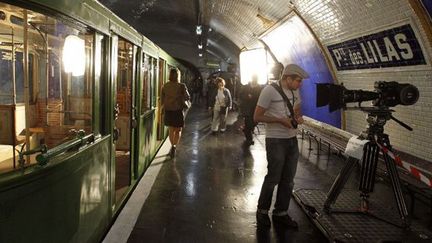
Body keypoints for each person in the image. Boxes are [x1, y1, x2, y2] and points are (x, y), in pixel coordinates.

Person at [253, 64, 309, 228]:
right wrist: (279, 120)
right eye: (298, 80)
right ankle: (262, 211)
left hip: (292, 139)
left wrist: (298, 118)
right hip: (276, 139)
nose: (300, 84)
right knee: (273, 177)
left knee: (289, 180)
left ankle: (281, 213)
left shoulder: (295, 91)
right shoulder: (269, 91)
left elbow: (296, 109)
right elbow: (257, 116)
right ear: (288, 78)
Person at [161, 68, 190, 157]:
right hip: (178, 111)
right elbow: (187, 97)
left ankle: (172, 145)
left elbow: (162, 99)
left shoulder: (165, 85)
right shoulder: (182, 85)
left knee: (171, 130)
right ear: (178, 75)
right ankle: (174, 146)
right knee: (178, 130)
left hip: (168, 110)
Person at [239, 74, 262, 145]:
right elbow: (240, 95)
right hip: (247, 109)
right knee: (248, 123)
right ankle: (249, 139)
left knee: (254, 123)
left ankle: (246, 130)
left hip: (255, 108)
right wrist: (247, 96)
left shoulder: (259, 88)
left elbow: (261, 97)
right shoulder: (246, 87)